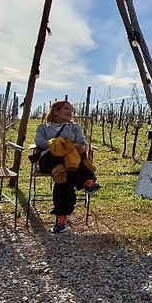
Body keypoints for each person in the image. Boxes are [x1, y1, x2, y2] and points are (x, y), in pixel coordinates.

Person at [34, 99, 100, 233]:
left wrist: (67, 147)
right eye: (66, 109)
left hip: (70, 164)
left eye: (71, 109)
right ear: (56, 111)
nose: (70, 112)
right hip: (49, 160)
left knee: (63, 175)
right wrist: (60, 145)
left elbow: (82, 143)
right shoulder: (43, 128)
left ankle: (61, 218)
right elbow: (39, 142)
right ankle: (88, 181)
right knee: (66, 154)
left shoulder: (75, 127)